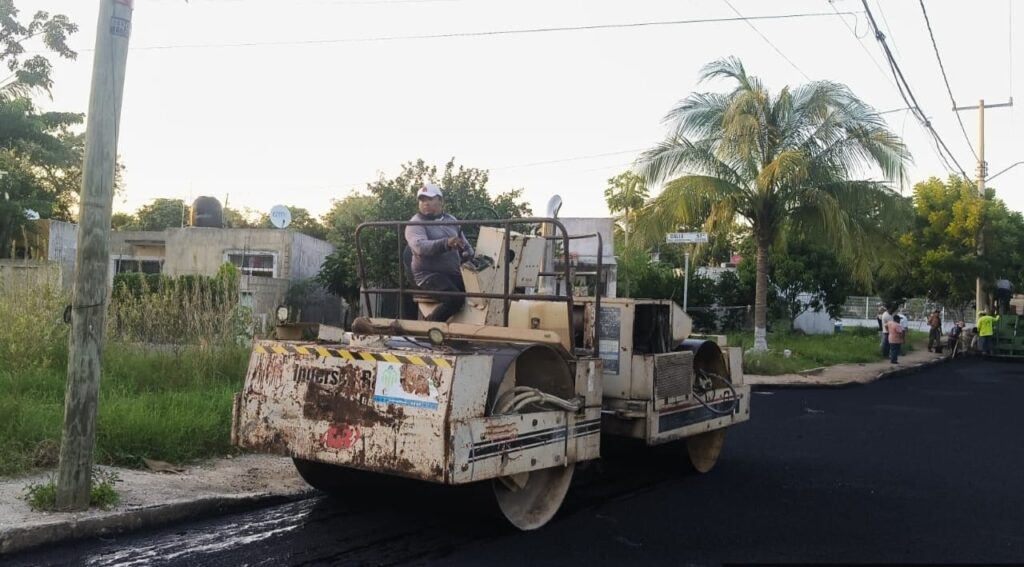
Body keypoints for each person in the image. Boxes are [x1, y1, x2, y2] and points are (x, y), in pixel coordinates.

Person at [404, 183, 474, 322]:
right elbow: (420, 247)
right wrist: (446, 243)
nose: (425, 203)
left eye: (430, 199)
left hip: (452, 273)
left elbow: (465, 245)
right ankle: (429, 326)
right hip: (428, 275)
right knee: (454, 299)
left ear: (441, 201)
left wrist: (469, 254)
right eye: (422, 200)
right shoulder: (415, 224)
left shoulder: (451, 220)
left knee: (481, 293)